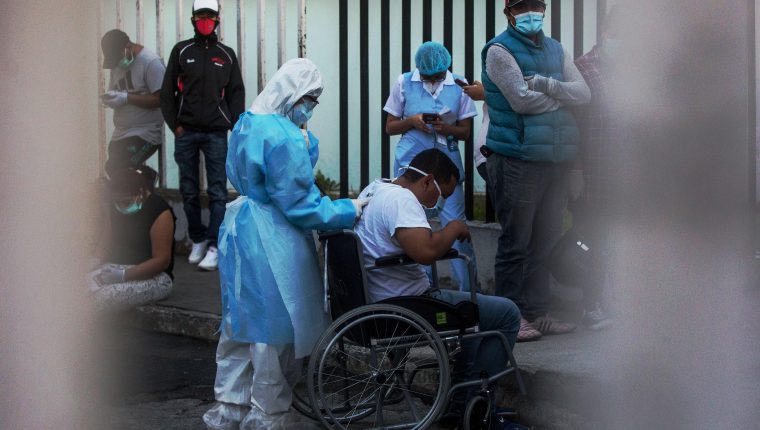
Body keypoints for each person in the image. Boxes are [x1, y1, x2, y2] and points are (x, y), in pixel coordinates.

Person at [202, 58, 368, 430]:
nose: (311, 108)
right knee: (274, 330)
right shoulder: (284, 136)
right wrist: (349, 209)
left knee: (241, 325)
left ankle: (230, 409)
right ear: (293, 93)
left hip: (241, 231)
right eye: (311, 99)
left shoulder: (247, 123)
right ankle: (269, 416)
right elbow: (300, 204)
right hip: (273, 239)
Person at [355, 148, 522, 429]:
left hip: (378, 300)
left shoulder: (375, 190)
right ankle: (476, 403)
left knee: (470, 314)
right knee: (506, 313)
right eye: (443, 194)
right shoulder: (402, 200)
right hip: (408, 304)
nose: (440, 203)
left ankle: (461, 402)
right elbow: (426, 251)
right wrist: (455, 228)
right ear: (427, 181)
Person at [482, 0, 591, 341]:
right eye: (522, 6)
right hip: (518, 159)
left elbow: (583, 94)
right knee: (516, 242)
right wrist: (562, 95)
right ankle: (510, 319)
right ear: (509, 13)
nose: (531, 12)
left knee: (544, 241)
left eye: (536, 5)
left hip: (555, 161)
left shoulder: (556, 48)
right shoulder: (499, 51)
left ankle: (539, 312)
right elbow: (520, 100)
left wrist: (546, 85)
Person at [384, 41, 479, 292]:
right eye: (427, 78)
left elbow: (465, 132)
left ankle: (468, 292)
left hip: (446, 165)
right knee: (415, 225)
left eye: (438, 77)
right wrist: (413, 122)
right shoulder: (404, 82)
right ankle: (421, 289)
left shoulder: (459, 84)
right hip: (411, 163)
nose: (433, 82)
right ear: (419, 70)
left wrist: (445, 128)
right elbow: (390, 126)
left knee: (455, 223)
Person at [160, 0, 245, 271]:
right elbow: (167, 93)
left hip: (216, 133)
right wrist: (175, 125)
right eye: (200, 15)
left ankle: (213, 244)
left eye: (210, 15)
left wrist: (233, 124)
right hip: (186, 132)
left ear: (218, 19)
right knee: (189, 189)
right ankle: (197, 238)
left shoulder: (227, 54)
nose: (205, 19)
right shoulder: (181, 51)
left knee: (218, 192)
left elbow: (236, 94)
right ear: (193, 19)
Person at [570, 6, 627, 330]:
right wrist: (575, 171)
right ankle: (592, 307)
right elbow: (574, 124)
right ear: (605, 31)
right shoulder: (585, 68)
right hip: (595, 175)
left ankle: (619, 306)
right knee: (596, 241)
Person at [91, 167, 175, 312]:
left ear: (140, 193)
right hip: (115, 267)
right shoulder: (114, 206)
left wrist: (124, 276)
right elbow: (105, 241)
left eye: (125, 202)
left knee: (102, 297)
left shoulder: (159, 210)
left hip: (154, 277)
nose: (120, 206)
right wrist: (93, 262)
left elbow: (161, 261)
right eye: (117, 202)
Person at [100, 29, 166, 178]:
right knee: (111, 167)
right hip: (121, 133)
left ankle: (148, 179)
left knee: (126, 166)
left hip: (146, 136)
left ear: (127, 47)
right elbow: (116, 91)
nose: (117, 64)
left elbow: (160, 99)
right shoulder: (117, 65)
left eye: (117, 59)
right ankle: (142, 183)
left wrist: (126, 98)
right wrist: (112, 99)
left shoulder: (150, 62)